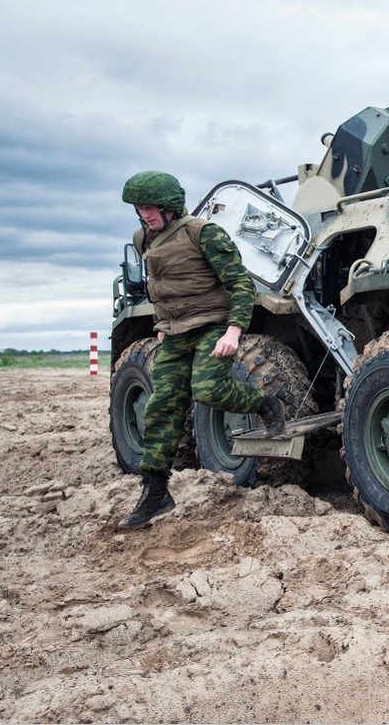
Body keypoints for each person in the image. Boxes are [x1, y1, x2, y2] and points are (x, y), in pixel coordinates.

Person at [118, 170, 285, 529]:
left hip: (212, 325)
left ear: (169, 207)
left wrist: (234, 330)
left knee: (208, 389)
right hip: (175, 333)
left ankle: (265, 403)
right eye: (139, 208)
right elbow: (159, 286)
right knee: (161, 408)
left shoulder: (203, 233)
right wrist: (162, 326)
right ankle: (155, 491)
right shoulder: (142, 239)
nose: (144, 214)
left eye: (150, 207)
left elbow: (240, 282)